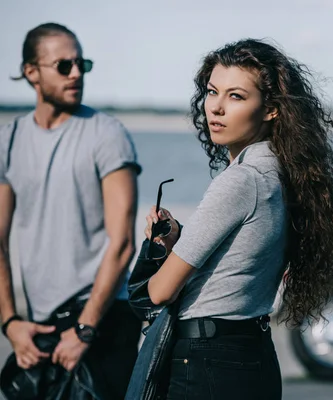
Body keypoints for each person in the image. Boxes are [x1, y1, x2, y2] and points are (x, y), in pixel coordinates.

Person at [142, 38, 333, 399]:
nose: (217, 108)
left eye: (236, 96)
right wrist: (181, 242)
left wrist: (156, 254)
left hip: (207, 361)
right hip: (250, 354)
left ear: (271, 108)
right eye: (212, 92)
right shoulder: (284, 173)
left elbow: (160, 291)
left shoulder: (241, 181)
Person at [0, 23, 142, 398]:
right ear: (32, 72)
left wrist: (85, 330)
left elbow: (123, 243)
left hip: (103, 323)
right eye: (63, 65)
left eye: (82, 64)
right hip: (40, 329)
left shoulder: (107, 135)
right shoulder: (10, 140)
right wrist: (10, 323)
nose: (76, 73)